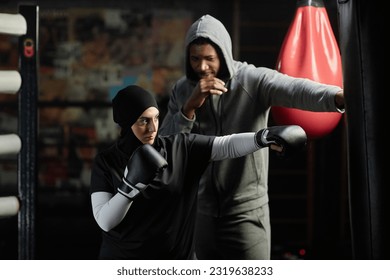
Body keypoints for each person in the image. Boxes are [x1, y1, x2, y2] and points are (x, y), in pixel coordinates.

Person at [159, 14, 345, 260]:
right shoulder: (182, 90)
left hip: (246, 211)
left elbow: (295, 88)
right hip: (200, 212)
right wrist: (189, 107)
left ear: (223, 54)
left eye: (209, 59)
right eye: (195, 59)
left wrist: (338, 97)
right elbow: (165, 148)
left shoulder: (252, 80)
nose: (202, 67)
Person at [89, 84, 306, 259]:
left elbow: (226, 145)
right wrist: (129, 188)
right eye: (144, 121)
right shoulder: (106, 162)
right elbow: (105, 221)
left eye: (156, 118)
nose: (153, 128)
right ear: (126, 123)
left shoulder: (179, 147)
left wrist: (263, 138)